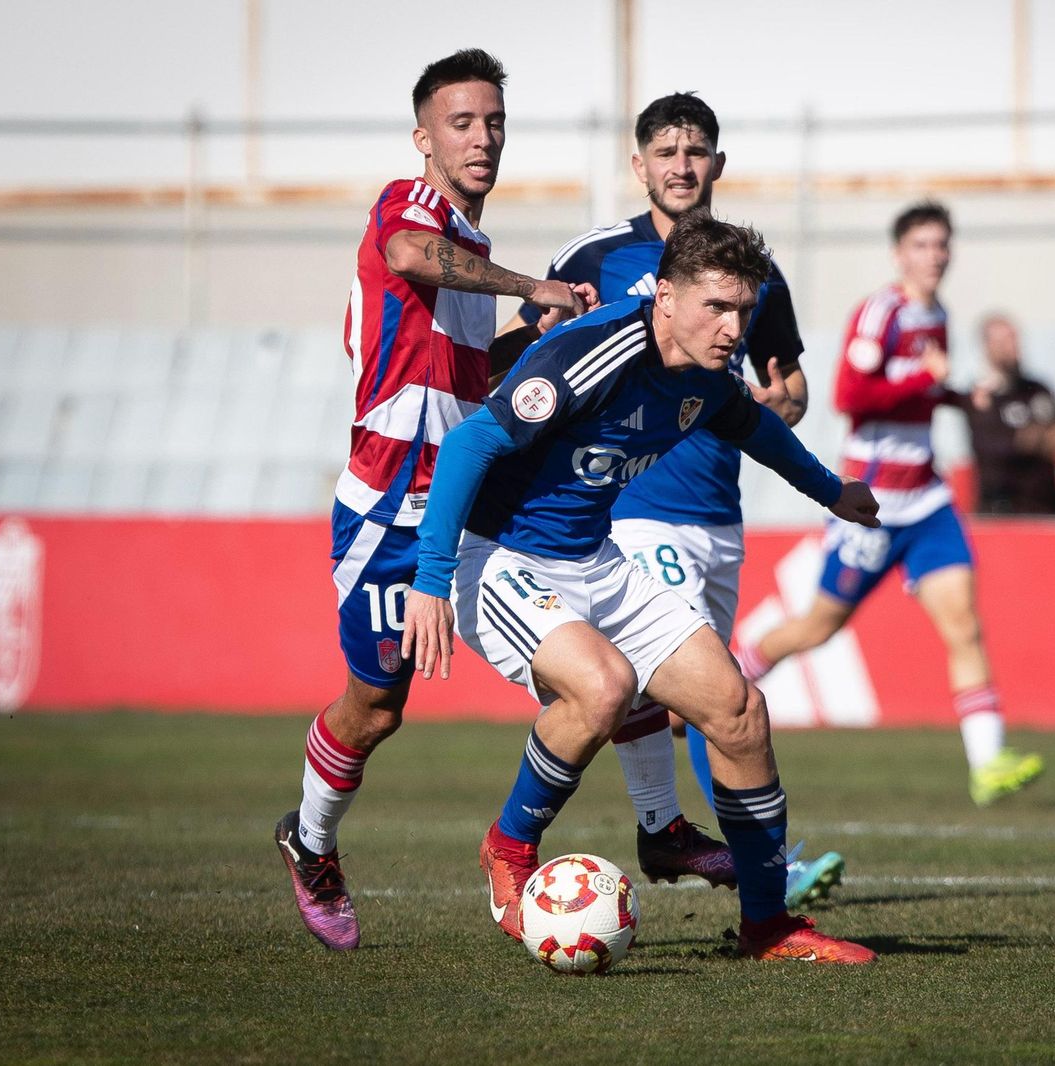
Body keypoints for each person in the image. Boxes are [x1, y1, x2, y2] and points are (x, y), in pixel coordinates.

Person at [402, 212, 880, 964]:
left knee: (738, 711)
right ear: (664, 295)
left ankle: (768, 928)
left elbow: (756, 429)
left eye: (743, 312)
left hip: (595, 561)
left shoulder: (707, 374)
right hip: (498, 559)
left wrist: (831, 491)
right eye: (716, 307)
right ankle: (508, 846)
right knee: (603, 688)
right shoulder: (598, 351)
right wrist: (430, 580)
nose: (732, 329)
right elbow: (471, 441)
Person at [273, 49, 596, 952]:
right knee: (377, 707)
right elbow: (414, 254)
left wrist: (527, 335)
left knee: (587, 670)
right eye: (461, 122)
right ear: (424, 138)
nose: (482, 136)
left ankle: (544, 843)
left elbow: (457, 371)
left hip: (464, 503)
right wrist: (531, 284)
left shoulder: (473, 254)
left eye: (493, 121)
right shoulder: (407, 209)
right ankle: (309, 839)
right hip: (385, 508)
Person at [497, 94, 843, 908]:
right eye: (665, 151)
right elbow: (526, 351)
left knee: (714, 702)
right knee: (672, 690)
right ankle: (669, 830)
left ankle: (694, 848)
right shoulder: (598, 255)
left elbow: (785, 388)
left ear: (717, 165)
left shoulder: (754, 274)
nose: (681, 165)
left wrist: (768, 408)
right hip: (630, 509)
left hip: (718, 511)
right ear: (639, 165)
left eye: (696, 152)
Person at [734, 202, 1046, 807]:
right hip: (873, 502)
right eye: (923, 245)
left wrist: (955, 396)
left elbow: (921, 391)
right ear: (900, 253)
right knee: (818, 628)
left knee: (964, 624)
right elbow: (853, 395)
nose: (935, 256)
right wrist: (925, 381)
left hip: (926, 500)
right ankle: (731, 675)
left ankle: (989, 762)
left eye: (942, 245)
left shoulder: (938, 315)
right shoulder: (882, 312)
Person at [948, 312, 1055, 515]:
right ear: (988, 346)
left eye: (1014, 338)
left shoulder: (1037, 389)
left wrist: (1036, 438)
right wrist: (1043, 437)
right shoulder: (982, 396)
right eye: (1004, 340)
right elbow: (997, 445)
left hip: (1047, 506)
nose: (1012, 346)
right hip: (1004, 509)